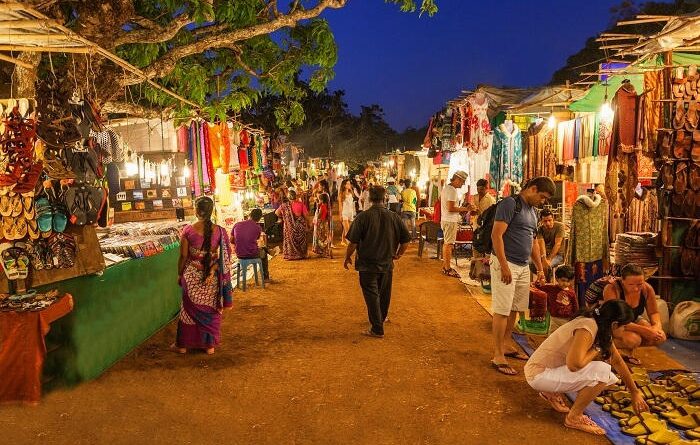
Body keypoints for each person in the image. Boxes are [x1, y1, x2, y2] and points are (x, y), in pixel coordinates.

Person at [525, 300, 647, 435]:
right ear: (614, 324)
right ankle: (574, 417)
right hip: (538, 375)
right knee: (603, 371)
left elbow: (617, 362)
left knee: (611, 377)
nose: (625, 330)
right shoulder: (588, 327)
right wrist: (597, 348)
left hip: (542, 370)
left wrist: (634, 392)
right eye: (624, 327)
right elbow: (574, 365)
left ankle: (550, 392)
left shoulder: (597, 324)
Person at [491, 176, 555, 375]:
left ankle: (507, 344)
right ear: (533, 189)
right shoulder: (510, 204)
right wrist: (503, 265)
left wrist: (539, 267)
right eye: (542, 197)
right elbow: (496, 235)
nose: (543, 202)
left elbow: (533, 241)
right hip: (506, 263)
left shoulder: (533, 212)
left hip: (522, 266)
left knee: (514, 309)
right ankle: (498, 353)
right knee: (502, 310)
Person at [344, 186, 410, 338]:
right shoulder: (394, 217)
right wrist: (398, 254)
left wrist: (347, 256)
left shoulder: (362, 217)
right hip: (386, 263)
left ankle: (377, 328)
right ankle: (381, 318)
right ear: (385, 198)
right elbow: (406, 240)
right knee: (384, 293)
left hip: (367, 264)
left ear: (369, 199)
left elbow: (353, 242)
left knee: (372, 295)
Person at [174, 197, 233, 355]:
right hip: (211, 278)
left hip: (191, 276)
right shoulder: (220, 231)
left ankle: (183, 346)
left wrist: (180, 274)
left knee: (187, 312)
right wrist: (214, 268)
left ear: (196, 210)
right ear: (211, 211)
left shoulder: (188, 230)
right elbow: (226, 257)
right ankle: (209, 346)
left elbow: (183, 257)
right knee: (211, 310)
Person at [603, 263, 666, 365]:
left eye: (639, 284)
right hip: (613, 322)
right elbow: (617, 319)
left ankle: (629, 353)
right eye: (631, 285)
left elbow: (654, 312)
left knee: (659, 337)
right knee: (633, 339)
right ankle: (602, 345)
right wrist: (646, 331)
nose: (636, 288)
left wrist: (656, 327)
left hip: (633, 318)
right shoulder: (611, 289)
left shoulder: (647, 289)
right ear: (622, 281)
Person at [440, 171, 471, 278]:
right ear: (457, 179)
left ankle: (446, 266)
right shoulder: (452, 190)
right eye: (462, 182)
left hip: (447, 220)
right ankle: (447, 268)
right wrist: (465, 208)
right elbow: (451, 208)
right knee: (448, 244)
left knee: (447, 244)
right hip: (449, 221)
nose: (462, 184)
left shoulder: (447, 189)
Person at [534, 265, 577, 334]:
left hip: (567, 319)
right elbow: (538, 286)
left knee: (565, 336)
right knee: (552, 336)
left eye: (568, 281)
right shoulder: (551, 288)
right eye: (563, 280)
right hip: (554, 319)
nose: (565, 283)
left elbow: (575, 306)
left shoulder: (572, 292)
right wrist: (540, 280)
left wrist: (575, 317)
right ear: (557, 278)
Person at [232, 208, 271, 280]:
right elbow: (256, 239)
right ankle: (266, 277)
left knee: (262, 249)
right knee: (264, 254)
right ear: (259, 218)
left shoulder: (237, 224)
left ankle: (268, 250)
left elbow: (231, 240)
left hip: (239, 254)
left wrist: (240, 244)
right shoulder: (257, 228)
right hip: (252, 254)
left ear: (250, 215)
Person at [531, 209, 565, 280]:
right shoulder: (539, 229)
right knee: (531, 263)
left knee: (546, 266)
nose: (548, 223)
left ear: (553, 219)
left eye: (550, 220)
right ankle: (541, 280)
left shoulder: (560, 226)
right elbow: (541, 244)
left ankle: (546, 282)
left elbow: (557, 244)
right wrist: (544, 259)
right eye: (545, 221)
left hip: (557, 255)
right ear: (541, 221)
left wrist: (549, 259)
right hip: (544, 254)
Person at [275, 190, 309, 260]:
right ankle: (301, 255)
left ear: (288, 197)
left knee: (289, 239)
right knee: (302, 241)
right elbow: (306, 216)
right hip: (300, 227)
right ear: (295, 196)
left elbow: (276, 213)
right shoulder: (301, 204)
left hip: (289, 228)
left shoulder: (284, 206)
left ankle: (291, 255)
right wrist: (308, 224)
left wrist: (284, 217)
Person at [312, 190, 333, 258]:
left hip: (321, 224)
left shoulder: (322, 207)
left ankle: (326, 252)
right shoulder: (327, 206)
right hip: (325, 223)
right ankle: (328, 250)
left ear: (322, 200)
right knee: (325, 237)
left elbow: (319, 216)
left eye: (319, 199)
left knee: (321, 238)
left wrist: (318, 208)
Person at [339, 179, 357, 246]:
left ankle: (343, 240)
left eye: (349, 184)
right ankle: (350, 244)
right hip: (344, 212)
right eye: (348, 184)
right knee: (348, 230)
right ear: (344, 185)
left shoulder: (351, 192)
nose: (349, 185)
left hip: (351, 212)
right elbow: (340, 205)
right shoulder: (341, 194)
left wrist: (354, 212)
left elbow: (352, 204)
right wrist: (340, 215)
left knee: (346, 228)